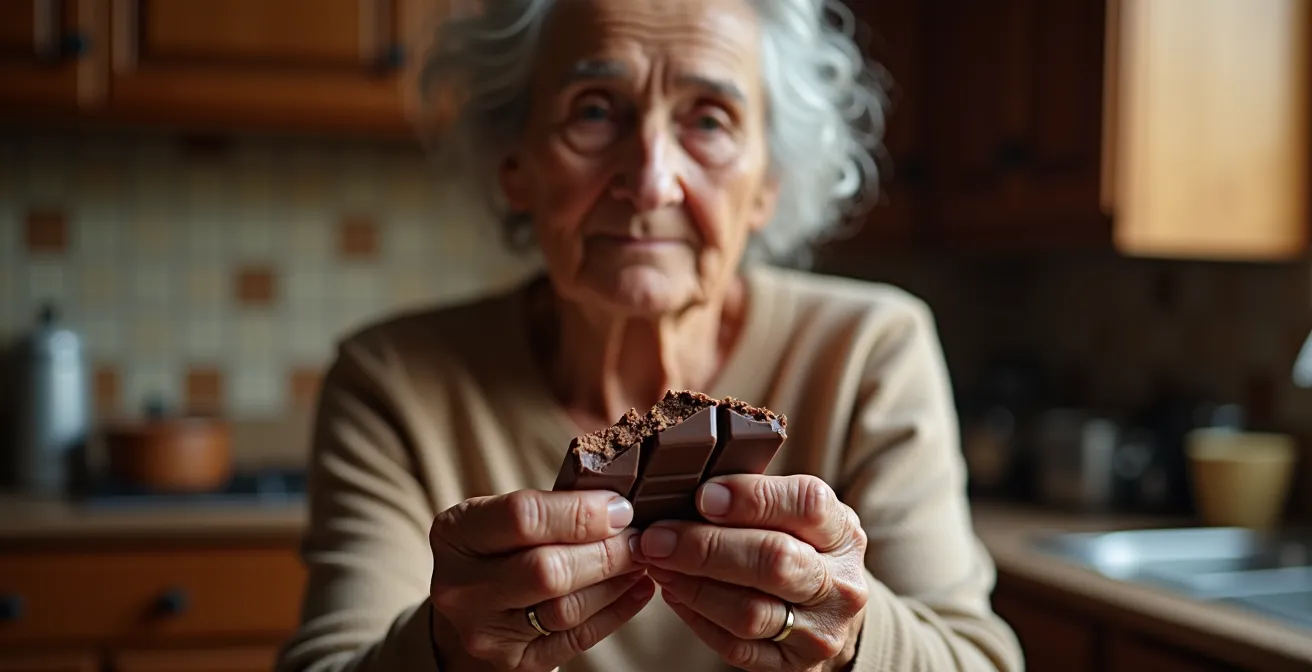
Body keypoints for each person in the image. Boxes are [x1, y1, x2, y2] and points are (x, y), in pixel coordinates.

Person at [276, 0, 1023, 670]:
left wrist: (852, 640)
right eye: (594, 111)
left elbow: (978, 660)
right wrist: (445, 652)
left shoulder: (869, 351)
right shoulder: (392, 381)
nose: (652, 179)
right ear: (517, 165)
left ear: (768, 184)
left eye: (708, 121)